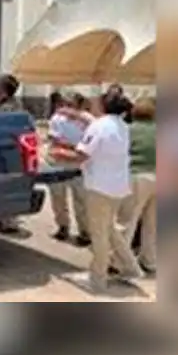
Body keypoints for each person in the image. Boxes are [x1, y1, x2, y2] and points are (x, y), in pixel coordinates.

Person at [52, 93, 143, 292]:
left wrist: (59, 154)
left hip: (100, 187)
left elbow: (81, 155)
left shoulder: (99, 126)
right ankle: (130, 267)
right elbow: (88, 120)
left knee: (99, 234)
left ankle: (97, 278)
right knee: (109, 228)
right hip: (117, 186)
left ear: (103, 106)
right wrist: (75, 115)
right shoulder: (121, 125)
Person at [43, 91, 91, 246]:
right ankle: (62, 226)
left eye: (72, 104)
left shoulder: (87, 120)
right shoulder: (58, 118)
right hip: (59, 162)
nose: (68, 108)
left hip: (79, 164)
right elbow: (54, 138)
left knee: (81, 200)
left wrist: (71, 147)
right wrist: (76, 147)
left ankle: (85, 231)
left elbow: (90, 142)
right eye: (67, 104)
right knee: (58, 197)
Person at [0, 74, 25, 234]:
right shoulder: (16, 105)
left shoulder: (5, 109)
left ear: (3, 90)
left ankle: (8, 222)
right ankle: (6, 219)